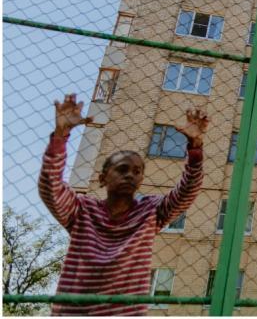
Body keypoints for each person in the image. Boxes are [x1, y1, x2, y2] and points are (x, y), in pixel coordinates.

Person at [39, 93, 208, 316]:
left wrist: (195, 146)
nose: (130, 175)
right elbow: (51, 188)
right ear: (102, 178)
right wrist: (60, 136)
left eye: (137, 172)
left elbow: (187, 192)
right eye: (122, 169)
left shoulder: (150, 211)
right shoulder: (82, 210)